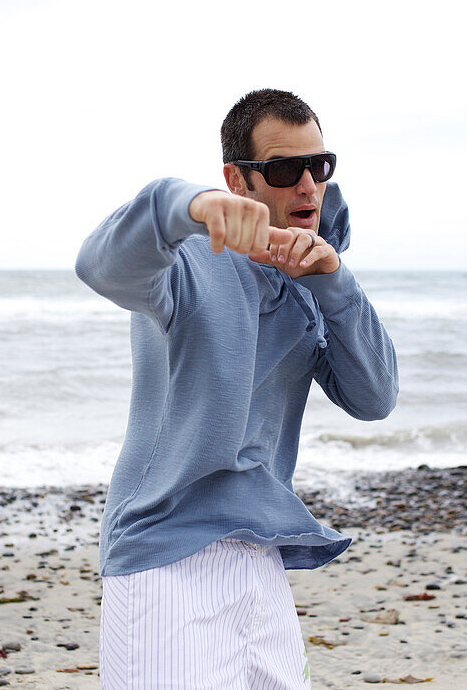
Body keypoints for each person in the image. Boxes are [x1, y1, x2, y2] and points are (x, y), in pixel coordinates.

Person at [75, 88, 399, 688]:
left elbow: (374, 396)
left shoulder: (312, 273)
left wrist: (333, 279)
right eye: (283, 169)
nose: (307, 186)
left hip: (263, 550)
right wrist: (190, 204)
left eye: (318, 166)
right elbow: (100, 264)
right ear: (238, 179)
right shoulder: (189, 260)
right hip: (164, 552)